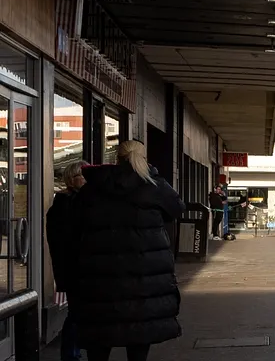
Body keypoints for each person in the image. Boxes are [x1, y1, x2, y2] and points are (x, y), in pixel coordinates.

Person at [66, 141, 183, 361]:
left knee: (99, 339)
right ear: (144, 158)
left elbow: (74, 224)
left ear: (116, 158)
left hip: (99, 279)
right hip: (143, 279)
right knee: (139, 339)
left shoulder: (93, 187)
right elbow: (176, 209)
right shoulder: (154, 186)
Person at [47, 163, 85, 361]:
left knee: (79, 313)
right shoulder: (66, 204)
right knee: (77, 313)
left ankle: (73, 352)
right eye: (82, 175)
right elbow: (65, 242)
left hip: (76, 268)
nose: (86, 180)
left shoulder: (75, 201)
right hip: (74, 269)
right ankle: (71, 355)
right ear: (72, 179)